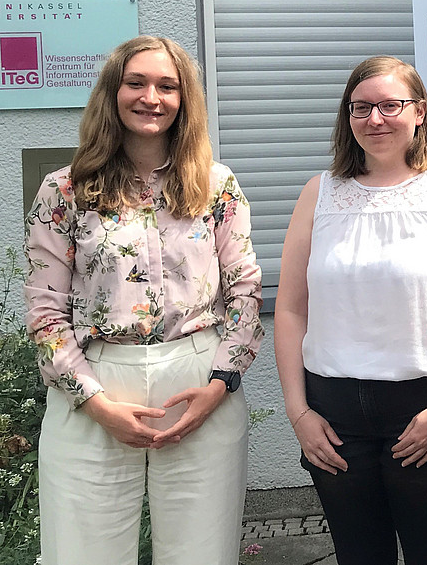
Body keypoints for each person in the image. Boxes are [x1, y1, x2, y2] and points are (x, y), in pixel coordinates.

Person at [24, 35, 263, 565]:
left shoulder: (215, 186)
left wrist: (222, 382)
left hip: (198, 382)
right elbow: (44, 312)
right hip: (94, 387)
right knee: (82, 554)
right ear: (113, 93)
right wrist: (96, 404)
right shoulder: (64, 191)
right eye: (136, 83)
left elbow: (245, 290)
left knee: (202, 554)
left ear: (184, 99)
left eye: (166, 85)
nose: (150, 97)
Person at [274, 55, 427, 565]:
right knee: (358, 555)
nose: (375, 119)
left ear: (419, 112)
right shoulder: (320, 193)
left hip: (424, 406)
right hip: (333, 413)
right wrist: (300, 414)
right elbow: (290, 310)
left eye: (390, 105)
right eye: (361, 108)